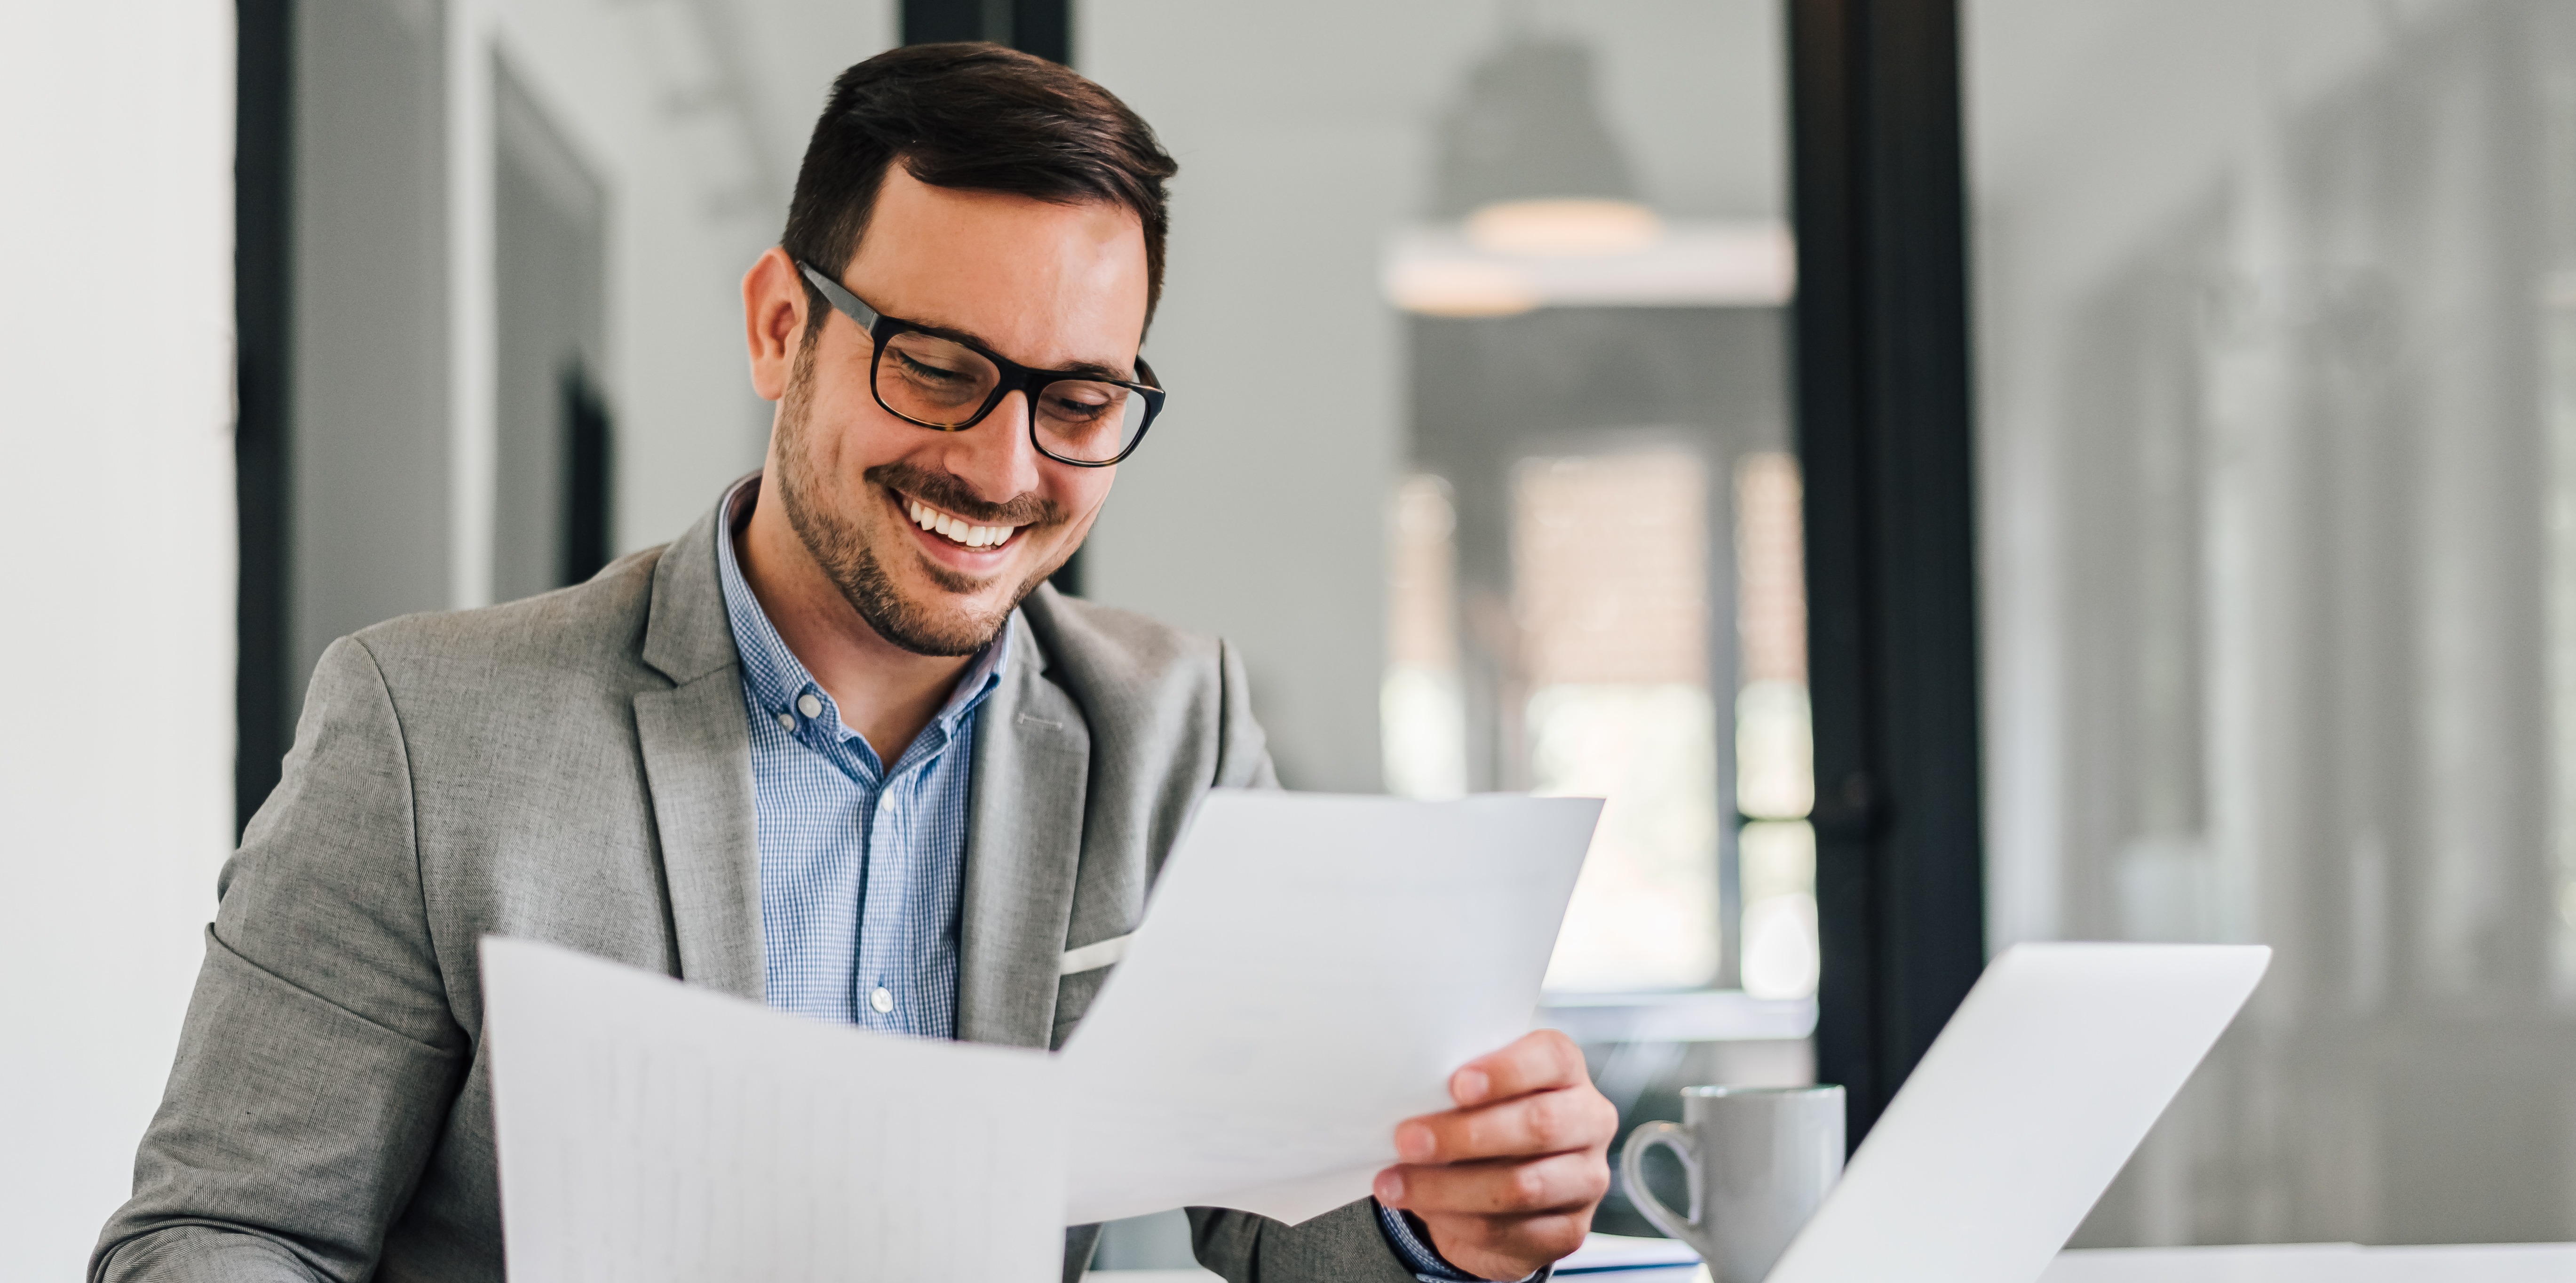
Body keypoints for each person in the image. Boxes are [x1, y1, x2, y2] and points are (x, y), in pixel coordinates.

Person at [94, 42, 1615, 1283]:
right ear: (779, 326)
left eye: (1077, 401)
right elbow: (217, 1238)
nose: (1003, 466)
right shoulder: (427, 729)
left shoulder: (1173, 732)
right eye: (939, 370)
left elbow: (1300, 1224)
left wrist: (1451, 1209)